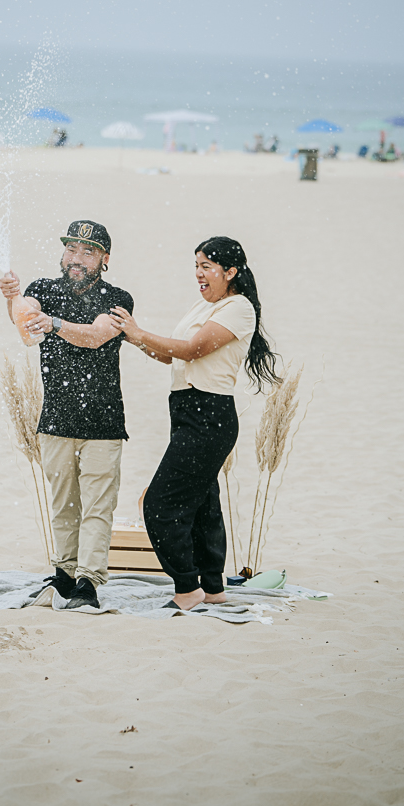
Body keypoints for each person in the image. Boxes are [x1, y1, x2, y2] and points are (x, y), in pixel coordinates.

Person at [109, 236, 280, 611]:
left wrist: (140, 333)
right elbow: (172, 356)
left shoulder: (239, 309)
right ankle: (213, 587)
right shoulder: (205, 307)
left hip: (210, 416)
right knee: (204, 505)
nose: (199, 274)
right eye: (196, 267)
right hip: (186, 412)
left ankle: (187, 589)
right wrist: (134, 336)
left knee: (158, 504)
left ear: (231, 271)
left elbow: (192, 349)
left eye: (207, 266)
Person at [0, 221, 134, 610]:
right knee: (64, 505)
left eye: (87, 252)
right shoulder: (43, 288)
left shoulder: (118, 298)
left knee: (97, 507)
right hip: (55, 418)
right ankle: (63, 573)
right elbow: (26, 320)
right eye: (71, 250)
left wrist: (55, 325)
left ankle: (88, 581)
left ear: (104, 259)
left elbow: (95, 335)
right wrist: (12, 299)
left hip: (103, 423)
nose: (76, 259)